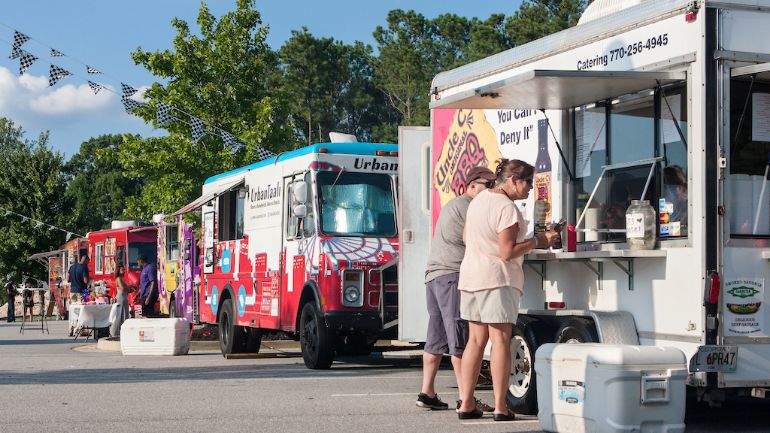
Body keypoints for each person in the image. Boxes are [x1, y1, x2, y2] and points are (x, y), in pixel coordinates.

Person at [456, 159, 558, 421]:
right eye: (528, 183)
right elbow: (506, 252)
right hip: (497, 279)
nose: (530, 189)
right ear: (513, 180)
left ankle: (466, 403)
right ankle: (501, 406)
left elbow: (467, 237)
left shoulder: (478, 200)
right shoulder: (507, 208)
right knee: (500, 340)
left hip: (471, 277)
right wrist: (538, 240)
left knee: (475, 341)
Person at [417, 166, 497, 412]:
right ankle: (466, 400)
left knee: (436, 338)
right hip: (451, 275)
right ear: (472, 186)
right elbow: (471, 238)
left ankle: (427, 392)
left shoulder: (454, 205)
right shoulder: (468, 206)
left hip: (434, 276)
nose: (492, 190)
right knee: (460, 339)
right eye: (488, 185)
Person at [110, 265, 131, 337]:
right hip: (120, 298)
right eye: (121, 269)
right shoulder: (118, 278)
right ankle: (115, 332)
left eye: (124, 269)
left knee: (124, 314)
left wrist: (129, 288)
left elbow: (125, 288)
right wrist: (129, 287)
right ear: (118, 270)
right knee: (119, 314)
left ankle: (122, 331)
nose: (123, 270)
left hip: (124, 297)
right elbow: (122, 288)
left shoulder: (122, 278)